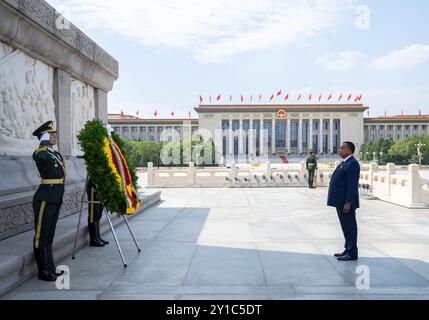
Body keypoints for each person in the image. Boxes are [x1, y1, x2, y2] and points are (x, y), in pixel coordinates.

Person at [32, 121, 66, 281]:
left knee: (50, 234)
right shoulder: (41, 153)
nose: (55, 136)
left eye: (54, 134)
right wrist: (43, 143)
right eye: (51, 134)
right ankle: (42, 271)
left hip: (55, 197)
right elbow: (39, 156)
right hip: (45, 197)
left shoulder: (55, 154)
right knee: (41, 234)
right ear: (44, 137)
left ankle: (50, 267)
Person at [327, 141, 360, 261]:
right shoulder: (345, 162)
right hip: (340, 201)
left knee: (350, 227)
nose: (339, 150)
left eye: (342, 148)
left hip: (346, 203)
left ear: (349, 150)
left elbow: (352, 185)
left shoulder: (352, 163)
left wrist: (349, 202)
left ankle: (352, 253)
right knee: (345, 226)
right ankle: (347, 249)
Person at [87, 178, 109, 247]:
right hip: (94, 183)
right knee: (93, 213)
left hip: (101, 182)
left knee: (98, 214)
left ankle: (97, 237)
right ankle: (93, 239)